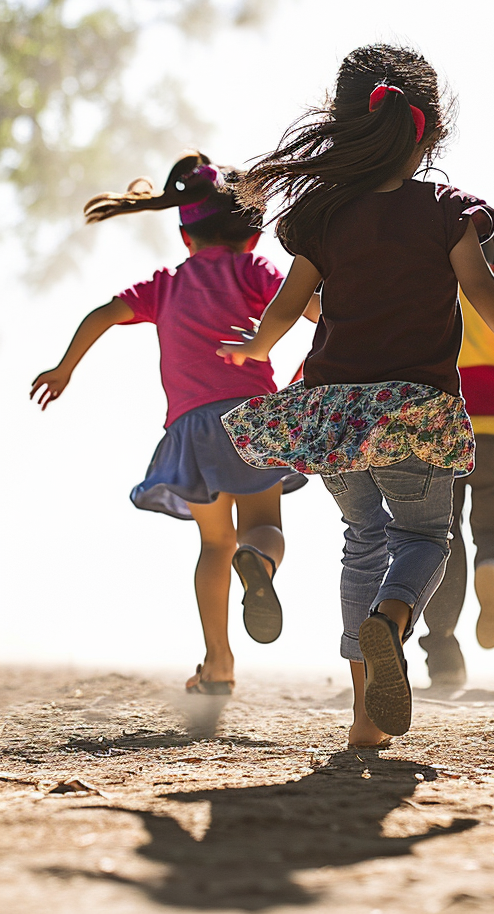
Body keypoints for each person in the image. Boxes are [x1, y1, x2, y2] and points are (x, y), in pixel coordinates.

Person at [216, 44, 494, 748]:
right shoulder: (448, 214)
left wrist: (258, 348)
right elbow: (482, 294)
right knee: (423, 538)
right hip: (416, 411)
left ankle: (365, 720)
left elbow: (291, 305)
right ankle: (393, 621)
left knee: (362, 542)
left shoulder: (322, 216)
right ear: (430, 130)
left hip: (335, 417)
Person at [30, 154, 313, 695]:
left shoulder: (165, 283)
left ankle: (219, 664)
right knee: (264, 526)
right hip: (254, 417)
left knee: (213, 546)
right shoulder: (254, 270)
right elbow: (309, 308)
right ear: (251, 234)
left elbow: (102, 314)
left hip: (193, 429)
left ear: (186, 236)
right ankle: (259, 562)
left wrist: (64, 368)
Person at [419, 235, 494, 689]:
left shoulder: (430, 300)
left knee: (440, 537)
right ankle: (492, 568)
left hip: (441, 429)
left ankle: (444, 647)